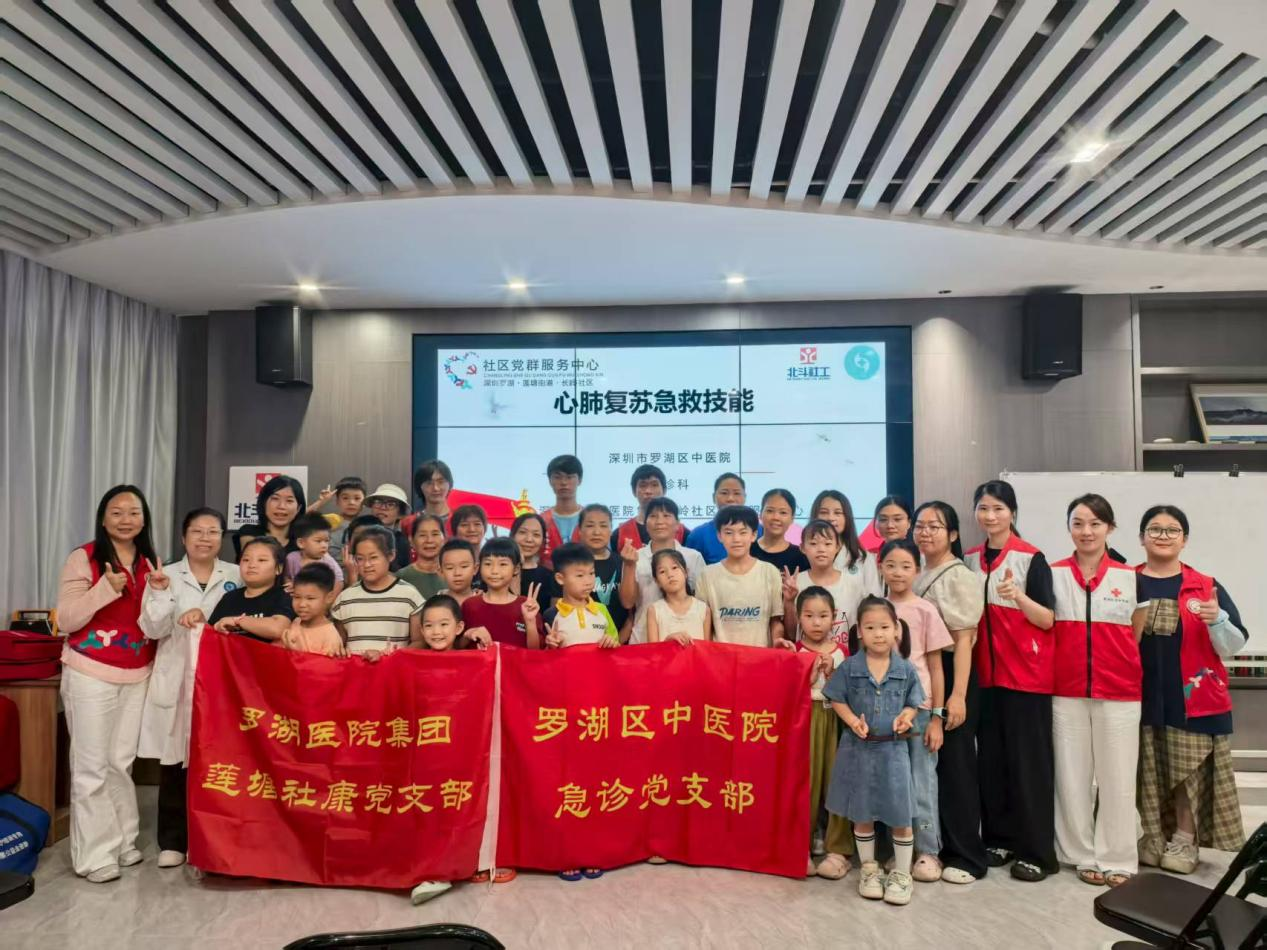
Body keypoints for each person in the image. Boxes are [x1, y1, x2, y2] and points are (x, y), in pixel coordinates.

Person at [1135, 504, 1247, 875]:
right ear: (1141, 538)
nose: (1163, 536)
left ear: (1184, 540)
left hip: (1193, 698)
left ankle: (1185, 839)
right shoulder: (1126, 580)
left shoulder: (1205, 585)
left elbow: (1232, 645)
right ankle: (1153, 836)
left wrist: (1218, 620)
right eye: (1154, 529)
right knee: (1148, 769)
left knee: (1187, 772)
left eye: (1172, 530)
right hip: (1139, 695)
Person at [56, 485, 159, 883]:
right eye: (116, 512)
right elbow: (67, 619)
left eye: (133, 512)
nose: (125, 520)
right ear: (102, 518)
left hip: (137, 673)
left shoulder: (150, 561)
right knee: (91, 766)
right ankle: (94, 855)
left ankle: (122, 840)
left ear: (144, 520)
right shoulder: (83, 557)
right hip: (90, 671)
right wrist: (104, 590)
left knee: (120, 763)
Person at [1050, 494, 1148, 888]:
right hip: (1066, 688)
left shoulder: (1130, 576)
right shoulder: (1053, 574)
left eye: (1095, 523)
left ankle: (1118, 857)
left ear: (1110, 528)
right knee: (1071, 775)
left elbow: (1136, 630)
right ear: (1068, 528)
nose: (1086, 531)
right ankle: (1078, 853)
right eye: (1078, 523)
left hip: (1120, 689)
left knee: (1118, 777)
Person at [965, 479, 1057, 882]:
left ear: (1013, 513)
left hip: (1026, 678)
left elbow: (1048, 619)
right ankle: (998, 839)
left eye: (998, 508)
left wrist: (1018, 596)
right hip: (985, 678)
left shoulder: (1031, 558)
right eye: (983, 508)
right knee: (992, 763)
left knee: (1029, 767)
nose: (990, 516)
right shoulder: (970, 559)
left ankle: (1037, 852)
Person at [138, 506, 240, 870]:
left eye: (213, 532)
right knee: (174, 761)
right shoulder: (164, 575)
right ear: (183, 537)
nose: (205, 538)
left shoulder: (237, 574)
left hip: (222, 682)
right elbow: (152, 629)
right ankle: (173, 840)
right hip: (177, 677)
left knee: (219, 763)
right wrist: (160, 594)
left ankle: (210, 839)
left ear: (222, 538)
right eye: (197, 531)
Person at [824, 596, 923, 906]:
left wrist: (906, 716)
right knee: (862, 812)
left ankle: (902, 874)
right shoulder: (849, 667)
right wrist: (853, 721)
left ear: (896, 630)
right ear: (859, 632)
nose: (878, 634)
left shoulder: (905, 669)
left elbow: (914, 702)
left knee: (900, 814)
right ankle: (869, 869)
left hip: (894, 752)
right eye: (870, 628)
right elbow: (836, 698)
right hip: (858, 752)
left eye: (884, 627)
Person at [911, 500, 987, 885]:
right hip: (926, 675)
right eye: (920, 525)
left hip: (955, 674)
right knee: (931, 768)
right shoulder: (919, 572)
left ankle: (967, 856)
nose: (925, 532)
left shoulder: (959, 576)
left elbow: (965, 641)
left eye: (935, 526)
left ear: (953, 534)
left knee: (957, 767)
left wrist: (958, 696)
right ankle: (935, 848)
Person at [880, 538, 953, 882]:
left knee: (921, 782)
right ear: (880, 567)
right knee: (889, 783)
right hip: (882, 712)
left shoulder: (925, 610)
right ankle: (897, 851)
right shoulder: (875, 608)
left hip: (920, 711)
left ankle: (928, 852)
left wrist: (937, 717)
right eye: (891, 565)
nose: (898, 572)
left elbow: (936, 668)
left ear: (918, 570)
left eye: (906, 566)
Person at [409, 593, 482, 906]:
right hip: (423, 753)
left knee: (456, 807)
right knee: (426, 809)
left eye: (443, 624)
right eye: (429, 625)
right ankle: (429, 868)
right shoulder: (411, 661)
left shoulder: (473, 660)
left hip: (461, 752)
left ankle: (449, 867)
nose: (436, 631)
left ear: (459, 627)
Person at [792, 586, 852, 880]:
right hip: (805, 720)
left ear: (834, 617)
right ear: (798, 618)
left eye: (823, 615)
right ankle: (798, 846)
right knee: (806, 782)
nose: (816, 622)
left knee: (837, 781)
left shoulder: (843, 652)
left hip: (837, 719)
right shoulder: (792, 651)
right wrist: (805, 674)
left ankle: (838, 849)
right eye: (809, 615)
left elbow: (852, 690)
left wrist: (832, 673)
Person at [696, 505, 785, 647]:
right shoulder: (706, 575)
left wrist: (777, 643)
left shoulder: (769, 572)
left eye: (743, 532)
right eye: (729, 533)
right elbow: (703, 622)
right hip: (721, 657)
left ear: (754, 535)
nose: (736, 539)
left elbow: (775, 621)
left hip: (760, 656)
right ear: (719, 536)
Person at [619, 497, 705, 643]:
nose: (659, 521)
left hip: (686, 640)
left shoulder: (693, 557)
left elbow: (702, 604)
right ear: (645, 524)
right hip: (644, 641)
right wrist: (629, 566)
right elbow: (628, 603)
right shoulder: (635, 557)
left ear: (678, 524)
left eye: (666, 515)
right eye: (653, 516)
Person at [331, 526, 424, 659]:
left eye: (373, 557)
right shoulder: (345, 598)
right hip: (355, 670)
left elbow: (419, 641)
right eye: (360, 559)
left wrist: (388, 657)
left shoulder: (409, 595)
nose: (367, 565)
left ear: (391, 555)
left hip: (393, 669)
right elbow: (338, 644)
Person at [461, 537, 544, 648]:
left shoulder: (526, 606)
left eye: (503, 564)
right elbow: (457, 647)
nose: (494, 571)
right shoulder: (469, 605)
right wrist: (468, 635)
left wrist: (530, 623)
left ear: (516, 569)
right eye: (488, 564)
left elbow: (536, 651)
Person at [209, 536, 293, 643]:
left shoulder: (285, 594)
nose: (252, 565)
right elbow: (209, 634)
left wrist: (237, 621)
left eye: (261, 560)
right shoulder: (229, 598)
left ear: (278, 568)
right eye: (246, 560)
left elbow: (277, 629)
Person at [544, 543, 619, 650]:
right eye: (580, 575)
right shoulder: (552, 615)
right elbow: (545, 655)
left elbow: (616, 645)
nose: (588, 581)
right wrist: (551, 647)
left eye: (591, 573)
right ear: (560, 578)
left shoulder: (601, 609)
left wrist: (611, 642)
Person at [810, 489, 882, 595]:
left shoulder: (863, 557)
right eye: (824, 512)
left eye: (838, 513)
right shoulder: (806, 556)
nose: (831, 518)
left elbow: (874, 597)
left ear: (847, 518)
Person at [579, 504, 629, 640]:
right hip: (582, 641)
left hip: (620, 641)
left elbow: (631, 610)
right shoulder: (570, 565)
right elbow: (559, 609)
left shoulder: (623, 562)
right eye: (590, 526)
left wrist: (618, 641)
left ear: (611, 530)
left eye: (603, 526)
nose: (597, 532)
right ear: (580, 531)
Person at [614, 464, 686, 552]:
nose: (648, 491)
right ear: (634, 491)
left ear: (664, 490)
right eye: (643, 485)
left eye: (654, 485)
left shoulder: (683, 532)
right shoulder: (619, 534)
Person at [646, 549, 711, 645]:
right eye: (662, 571)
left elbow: (706, 649)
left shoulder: (703, 609)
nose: (670, 575)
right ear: (657, 581)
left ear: (686, 572)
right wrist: (667, 642)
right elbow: (653, 651)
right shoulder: (654, 610)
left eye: (674, 567)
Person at [684, 473, 750, 564]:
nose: (730, 498)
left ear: (745, 497)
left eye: (737, 493)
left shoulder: (758, 531)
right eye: (724, 493)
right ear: (713, 497)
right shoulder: (698, 535)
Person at [281, 564, 346, 657]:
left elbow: (324, 666)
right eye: (297, 597)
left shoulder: (330, 636)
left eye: (310, 598)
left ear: (329, 597)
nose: (302, 604)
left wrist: (297, 652)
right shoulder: (296, 622)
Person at [233, 474, 306, 557]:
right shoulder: (249, 532)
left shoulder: (302, 543)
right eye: (275, 499)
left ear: (298, 508)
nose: (281, 506)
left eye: (289, 501)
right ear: (264, 503)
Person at [539, 454, 584, 567]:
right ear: (550, 481)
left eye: (569, 477)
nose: (563, 482)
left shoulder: (590, 519)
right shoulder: (541, 521)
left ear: (580, 480)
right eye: (557, 477)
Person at [283, 513, 344, 594]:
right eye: (318, 541)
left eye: (326, 541)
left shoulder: (328, 562)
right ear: (301, 543)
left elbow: (339, 581)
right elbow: (287, 576)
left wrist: (329, 599)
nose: (324, 545)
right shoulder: (292, 558)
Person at [752, 488, 809, 574]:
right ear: (760, 515)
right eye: (770, 511)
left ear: (792, 518)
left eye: (783, 512)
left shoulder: (801, 557)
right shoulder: (747, 550)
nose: (776, 517)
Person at [511, 511, 557, 612]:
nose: (529, 539)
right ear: (513, 535)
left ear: (543, 541)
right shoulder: (498, 573)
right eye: (523, 532)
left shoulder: (551, 577)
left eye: (536, 535)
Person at [397, 513, 446, 598]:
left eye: (435, 534)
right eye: (422, 535)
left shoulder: (454, 576)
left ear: (444, 538)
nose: (429, 540)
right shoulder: (400, 578)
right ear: (411, 540)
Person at [365, 483, 411, 569]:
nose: (383, 508)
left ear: (400, 514)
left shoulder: (402, 542)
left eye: (390, 504)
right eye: (378, 502)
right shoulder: (360, 534)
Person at [324, 476, 367, 562]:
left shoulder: (368, 526)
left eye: (357, 498)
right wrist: (321, 502)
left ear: (364, 502)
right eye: (345, 498)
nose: (351, 502)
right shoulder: (328, 521)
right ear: (337, 501)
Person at [438, 538, 480, 604]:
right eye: (450, 568)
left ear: (475, 569)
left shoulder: (486, 601)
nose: (457, 573)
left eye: (464, 566)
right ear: (441, 572)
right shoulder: (433, 604)